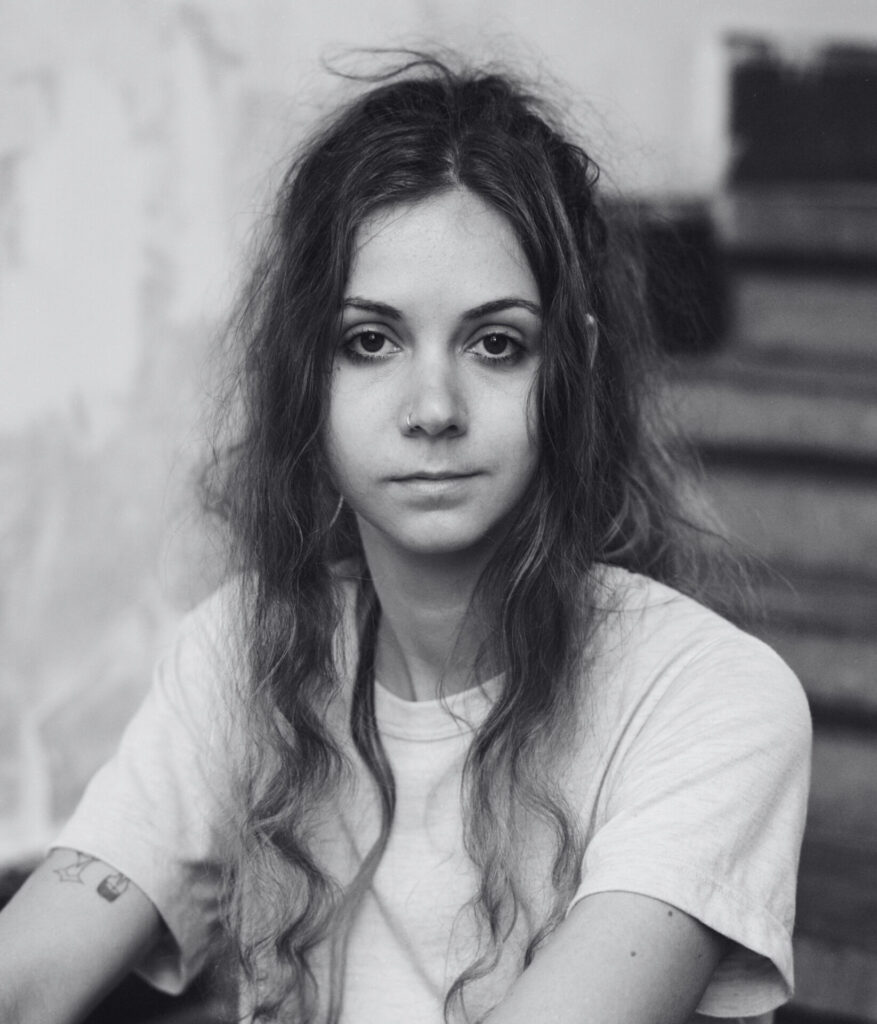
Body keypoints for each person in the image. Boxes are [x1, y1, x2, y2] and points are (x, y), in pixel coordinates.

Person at [0, 54, 811, 1024]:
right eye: (370, 341)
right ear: (311, 375)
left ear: (575, 363)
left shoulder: (711, 698)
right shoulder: (239, 650)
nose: (433, 408)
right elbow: (27, 971)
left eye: (495, 342)